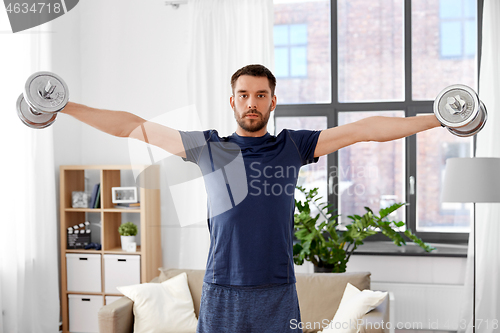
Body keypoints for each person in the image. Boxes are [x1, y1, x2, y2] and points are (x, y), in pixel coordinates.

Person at [62, 64, 442, 332]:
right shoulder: (208, 146)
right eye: (243, 95)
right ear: (232, 102)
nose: (251, 103)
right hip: (221, 288)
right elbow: (132, 126)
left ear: (272, 102)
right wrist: (64, 106)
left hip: (276, 289)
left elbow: (365, 129)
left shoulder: (293, 146)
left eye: (261, 95)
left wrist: (438, 119)